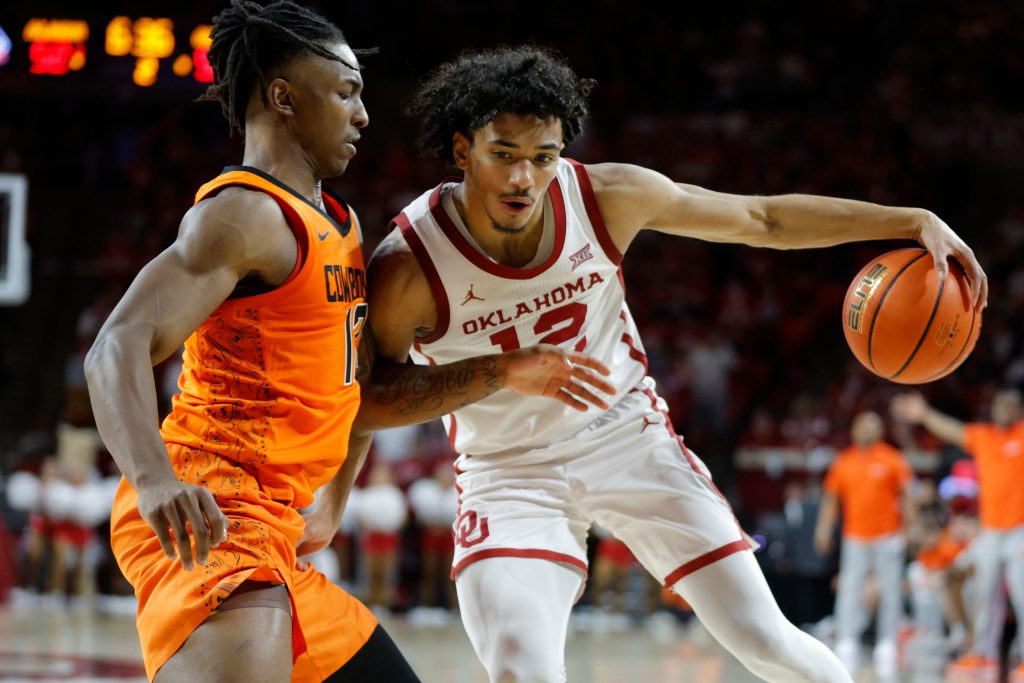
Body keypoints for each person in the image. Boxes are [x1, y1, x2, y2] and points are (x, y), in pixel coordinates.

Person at [361, 46, 988, 683]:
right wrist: (499, 372)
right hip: (508, 473)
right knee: (522, 671)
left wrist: (911, 221)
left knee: (770, 643)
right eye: (504, 155)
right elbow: (371, 397)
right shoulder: (409, 264)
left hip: (627, 438)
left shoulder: (606, 196)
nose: (524, 178)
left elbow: (762, 218)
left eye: (543, 158)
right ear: (463, 150)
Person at [84, 5, 612, 681]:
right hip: (215, 514)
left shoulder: (339, 222)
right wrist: (154, 478)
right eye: (345, 93)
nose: (363, 115)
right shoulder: (243, 215)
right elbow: (115, 345)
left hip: (276, 527)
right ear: (282, 97)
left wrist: (335, 494)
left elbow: (359, 392)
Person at [891, 389, 1024, 681]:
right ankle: (981, 654)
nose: (1002, 408)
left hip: (1019, 531)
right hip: (990, 530)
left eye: (1009, 404)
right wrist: (924, 414)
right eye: (999, 403)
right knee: (984, 594)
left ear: (1019, 409)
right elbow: (953, 430)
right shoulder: (985, 437)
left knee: (1022, 593)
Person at [813, 411, 914, 678]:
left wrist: (908, 529)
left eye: (872, 426)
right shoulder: (844, 461)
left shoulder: (892, 458)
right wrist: (823, 528)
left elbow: (908, 496)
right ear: (854, 430)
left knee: (890, 591)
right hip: (855, 536)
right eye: (862, 426)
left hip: (887, 536)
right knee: (849, 590)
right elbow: (831, 499)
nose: (866, 431)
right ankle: (847, 641)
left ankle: (888, 644)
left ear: (880, 430)